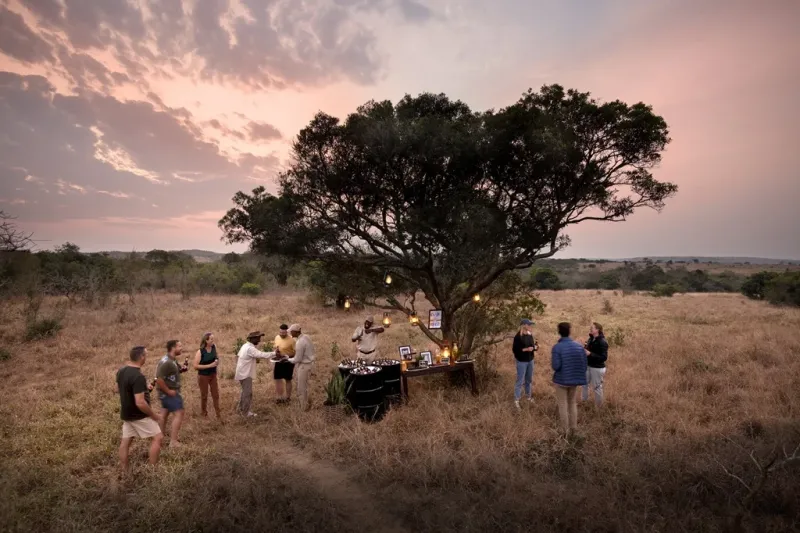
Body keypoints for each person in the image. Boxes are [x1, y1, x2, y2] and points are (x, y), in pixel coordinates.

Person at [116, 346, 162, 472]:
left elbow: (119, 389)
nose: (146, 357)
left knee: (125, 443)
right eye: (146, 355)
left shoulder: (121, 371)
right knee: (158, 437)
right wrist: (154, 415)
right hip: (139, 415)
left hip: (126, 414)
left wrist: (143, 389)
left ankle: (125, 472)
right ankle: (153, 470)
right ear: (141, 357)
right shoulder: (138, 376)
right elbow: (140, 403)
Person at [551, 322, 588, 436]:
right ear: (569, 332)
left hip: (562, 380)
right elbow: (584, 364)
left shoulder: (557, 347)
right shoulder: (578, 346)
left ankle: (564, 431)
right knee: (572, 403)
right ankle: (574, 429)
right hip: (574, 380)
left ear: (559, 332)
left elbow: (555, 366)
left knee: (562, 404)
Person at [235, 331, 278, 417]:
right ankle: (245, 413)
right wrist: (274, 353)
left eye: (259, 337)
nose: (259, 339)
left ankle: (241, 409)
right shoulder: (250, 348)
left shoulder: (245, 345)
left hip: (242, 372)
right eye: (257, 338)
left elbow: (238, 356)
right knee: (248, 393)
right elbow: (261, 355)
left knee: (245, 392)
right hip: (245, 374)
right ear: (251, 339)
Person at [156, 340, 188, 447]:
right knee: (179, 413)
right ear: (173, 348)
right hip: (169, 392)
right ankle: (173, 441)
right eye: (180, 346)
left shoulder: (172, 360)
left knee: (164, 415)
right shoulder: (166, 362)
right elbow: (159, 379)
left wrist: (181, 369)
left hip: (166, 392)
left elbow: (173, 372)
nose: (181, 348)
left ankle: (159, 438)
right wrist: (169, 391)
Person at [194, 332, 222, 421]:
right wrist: (210, 365)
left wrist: (217, 361)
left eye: (213, 339)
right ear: (206, 340)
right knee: (204, 395)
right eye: (211, 339)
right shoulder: (200, 351)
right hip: (203, 376)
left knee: (215, 394)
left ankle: (218, 414)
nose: (213, 341)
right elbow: (195, 366)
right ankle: (204, 413)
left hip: (213, 375)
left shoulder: (214, 347)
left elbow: (216, 356)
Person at [286, 324, 314, 411]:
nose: (290, 333)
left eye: (291, 331)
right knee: (304, 386)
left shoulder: (300, 342)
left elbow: (297, 359)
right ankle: (306, 404)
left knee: (301, 388)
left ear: (295, 331)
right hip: (309, 363)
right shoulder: (307, 337)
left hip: (303, 366)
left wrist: (287, 359)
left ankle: (303, 408)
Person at [511, 318, 538, 410]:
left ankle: (528, 397)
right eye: (529, 324)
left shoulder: (530, 335)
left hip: (530, 360)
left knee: (529, 380)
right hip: (522, 361)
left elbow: (532, 346)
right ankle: (516, 400)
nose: (531, 326)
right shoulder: (518, 337)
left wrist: (535, 347)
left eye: (531, 324)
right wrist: (526, 349)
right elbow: (515, 350)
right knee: (520, 381)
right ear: (524, 325)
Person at [581, 322, 609, 406]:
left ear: (597, 330)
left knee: (597, 387)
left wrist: (590, 354)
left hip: (597, 368)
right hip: (588, 366)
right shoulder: (590, 338)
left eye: (592, 327)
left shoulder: (602, 342)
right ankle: (584, 402)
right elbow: (588, 350)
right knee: (584, 384)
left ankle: (598, 407)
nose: (590, 328)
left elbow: (604, 358)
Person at [273, 324, 297, 404]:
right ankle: (279, 397)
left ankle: (288, 397)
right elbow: (275, 347)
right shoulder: (277, 337)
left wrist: (287, 357)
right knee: (277, 379)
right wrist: (276, 352)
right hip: (278, 361)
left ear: (287, 332)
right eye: (280, 332)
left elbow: (296, 353)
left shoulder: (292, 340)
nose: (282, 334)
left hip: (288, 362)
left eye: (284, 333)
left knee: (288, 379)